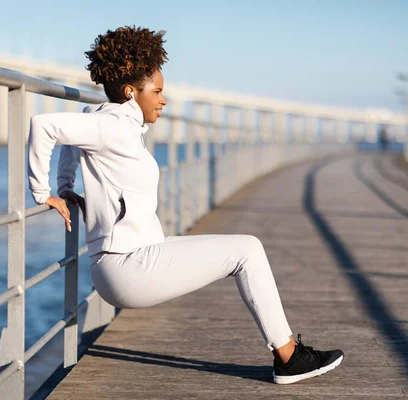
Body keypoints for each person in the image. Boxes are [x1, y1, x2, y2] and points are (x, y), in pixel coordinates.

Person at [27, 26, 344, 384]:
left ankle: (288, 355)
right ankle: (288, 357)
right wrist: (44, 193)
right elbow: (44, 126)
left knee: (243, 249)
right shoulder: (110, 126)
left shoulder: (107, 123)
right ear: (131, 93)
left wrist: (66, 185)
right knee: (248, 250)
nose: (163, 101)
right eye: (157, 92)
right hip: (126, 268)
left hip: (136, 257)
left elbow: (71, 136)